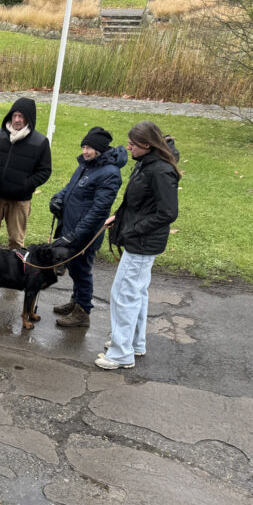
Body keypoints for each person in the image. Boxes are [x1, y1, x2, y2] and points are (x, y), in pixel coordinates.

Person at [95, 121, 181, 370]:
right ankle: (134, 343)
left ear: (147, 144)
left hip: (141, 243)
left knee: (123, 295)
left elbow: (167, 213)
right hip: (139, 239)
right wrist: (118, 218)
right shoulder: (145, 164)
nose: (128, 146)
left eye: (133, 143)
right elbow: (137, 202)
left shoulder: (160, 171)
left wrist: (133, 230)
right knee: (137, 293)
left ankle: (121, 353)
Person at [49, 127, 128, 329]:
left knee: (81, 271)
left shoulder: (110, 173)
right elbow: (71, 187)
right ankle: (76, 302)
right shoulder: (87, 165)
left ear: (100, 150)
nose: (85, 151)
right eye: (83, 146)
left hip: (85, 233)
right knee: (75, 269)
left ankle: (82, 312)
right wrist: (58, 198)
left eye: (89, 148)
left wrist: (78, 234)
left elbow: (99, 210)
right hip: (72, 226)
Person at [0, 97, 52, 250]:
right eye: (14, 115)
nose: (17, 120)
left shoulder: (40, 142)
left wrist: (26, 185)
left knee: (16, 241)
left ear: (28, 118)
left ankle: (15, 272)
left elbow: (45, 170)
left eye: (21, 116)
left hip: (19, 201)